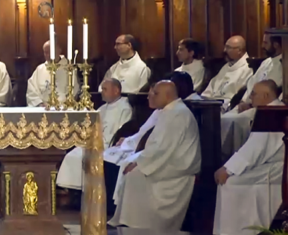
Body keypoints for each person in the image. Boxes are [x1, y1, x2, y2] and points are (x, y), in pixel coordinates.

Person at [109, 81, 201, 231]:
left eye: (156, 93)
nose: (151, 95)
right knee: (129, 166)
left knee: (135, 174)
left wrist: (140, 163)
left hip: (178, 167)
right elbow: (158, 146)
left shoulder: (176, 114)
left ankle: (139, 223)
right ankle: (129, 220)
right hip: (167, 160)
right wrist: (139, 161)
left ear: (169, 95)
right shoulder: (170, 111)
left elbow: (162, 148)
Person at [214, 80, 284, 235]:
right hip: (272, 164)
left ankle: (239, 230)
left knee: (230, 183)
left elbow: (255, 149)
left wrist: (228, 169)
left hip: (277, 168)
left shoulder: (272, 113)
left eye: (253, 93)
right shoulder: (270, 109)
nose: (251, 97)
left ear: (266, 95)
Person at [57, 78, 132, 193]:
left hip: (109, 145)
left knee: (80, 157)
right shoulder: (102, 108)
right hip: (96, 142)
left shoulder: (125, 108)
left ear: (116, 90)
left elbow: (122, 131)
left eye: (105, 89)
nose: (102, 92)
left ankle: (81, 193)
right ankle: (75, 192)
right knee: (72, 155)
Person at [230, 33, 283, 113]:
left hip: (263, 108)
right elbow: (251, 83)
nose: (262, 46)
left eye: (265, 43)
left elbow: (272, 90)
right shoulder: (266, 62)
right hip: (246, 105)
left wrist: (251, 104)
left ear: (276, 45)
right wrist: (243, 101)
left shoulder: (283, 65)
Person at [201, 36, 253, 107]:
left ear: (239, 50)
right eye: (225, 47)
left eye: (228, 47)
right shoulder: (226, 66)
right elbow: (210, 88)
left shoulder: (248, 68)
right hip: (213, 105)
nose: (224, 50)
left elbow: (240, 97)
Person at [26, 41, 79, 107]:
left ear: (59, 50)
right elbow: (32, 91)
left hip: (64, 109)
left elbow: (75, 90)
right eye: (45, 52)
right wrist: (40, 104)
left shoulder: (69, 69)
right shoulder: (40, 69)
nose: (47, 55)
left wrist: (66, 104)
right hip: (43, 110)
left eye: (50, 52)